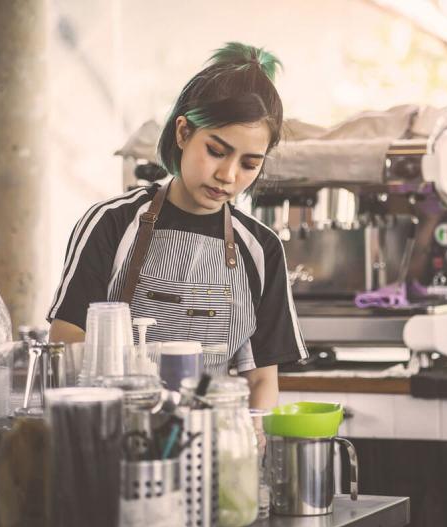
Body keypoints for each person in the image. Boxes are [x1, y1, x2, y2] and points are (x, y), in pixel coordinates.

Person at [46, 42, 306, 412]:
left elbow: (262, 378)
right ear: (183, 133)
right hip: (119, 435)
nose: (228, 175)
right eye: (216, 150)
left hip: (214, 441)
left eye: (249, 164)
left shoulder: (261, 248)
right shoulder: (113, 223)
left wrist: (250, 442)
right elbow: (67, 340)